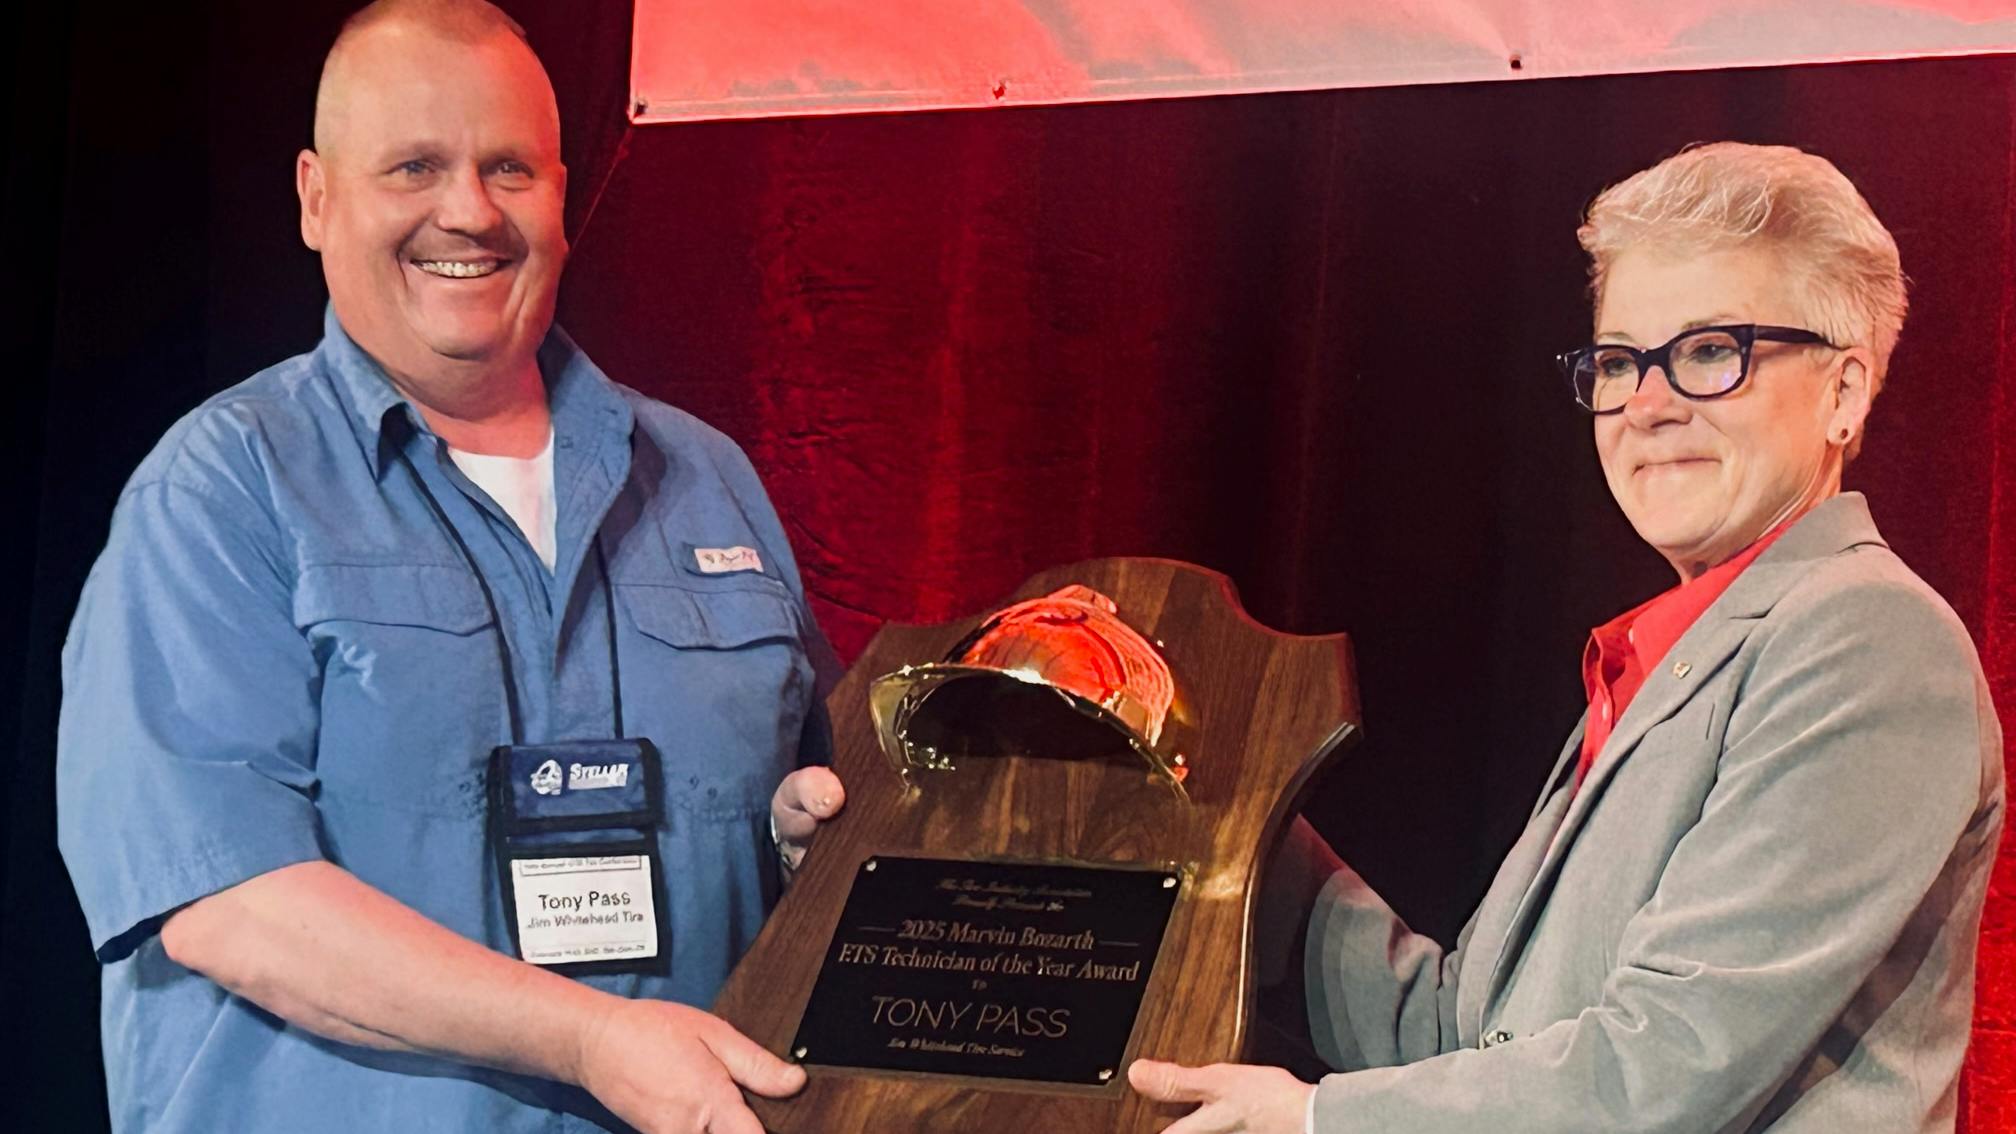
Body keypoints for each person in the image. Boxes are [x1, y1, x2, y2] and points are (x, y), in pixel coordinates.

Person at [56, 3, 843, 1131]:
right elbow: (227, 903)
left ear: (564, 195)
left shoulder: (704, 479)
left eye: (509, 167)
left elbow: (810, 822)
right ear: (316, 198)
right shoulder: (221, 493)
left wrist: (800, 840)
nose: (468, 211)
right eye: (415, 166)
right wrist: (588, 1038)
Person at [1131, 142, 2006, 1132]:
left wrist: (1318, 1123)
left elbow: (1670, 1062)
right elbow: (1466, 1037)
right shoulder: (1669, 657)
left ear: (1844, 393)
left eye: (1711, 352)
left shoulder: (1867, 640)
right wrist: (1224, 819)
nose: (1647, 403)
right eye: (1622, 360)